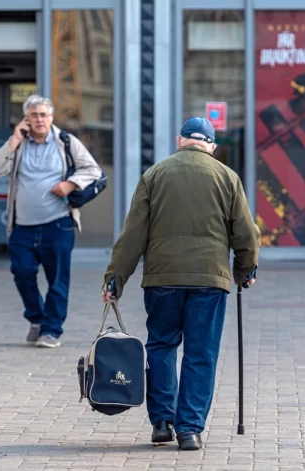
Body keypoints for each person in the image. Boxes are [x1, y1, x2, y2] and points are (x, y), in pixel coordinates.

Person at [101, 117, 261, 451]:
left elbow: (133, 235)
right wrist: (245, 270)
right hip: (210, 280)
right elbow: (246, 233)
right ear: (211, 146)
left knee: (161, 346)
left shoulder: (155, 175)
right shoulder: (227, 177)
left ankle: (161, 422)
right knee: (200, 354)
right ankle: (189, 430)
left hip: (162, 278)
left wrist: (115, 280)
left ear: (180, 141)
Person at [0, 95, 103, 348]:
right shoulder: (19, 145)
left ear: (50, 118)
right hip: (22, 227)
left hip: (58, 224)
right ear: (26, 120)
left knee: (57, 280)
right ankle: (37, 318)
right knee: (22, 272)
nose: (39, 119)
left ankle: (51, 330)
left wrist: (69, 184)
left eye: (43, 115)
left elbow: (93, 170)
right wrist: (14, 139)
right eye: (33, 115)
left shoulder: (66, 142)